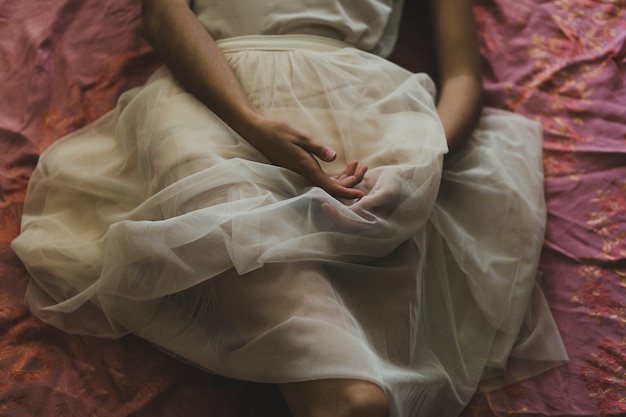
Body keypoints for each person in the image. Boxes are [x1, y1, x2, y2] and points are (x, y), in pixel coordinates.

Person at [11, 0, 568, 416]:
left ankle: (347, 389)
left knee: (369, 252)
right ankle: (346, 390)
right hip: (216, 96)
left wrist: (424, 158)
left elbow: (464, 76)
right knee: (221, 208)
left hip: (362, 103)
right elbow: (162, 16)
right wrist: (251, 124)